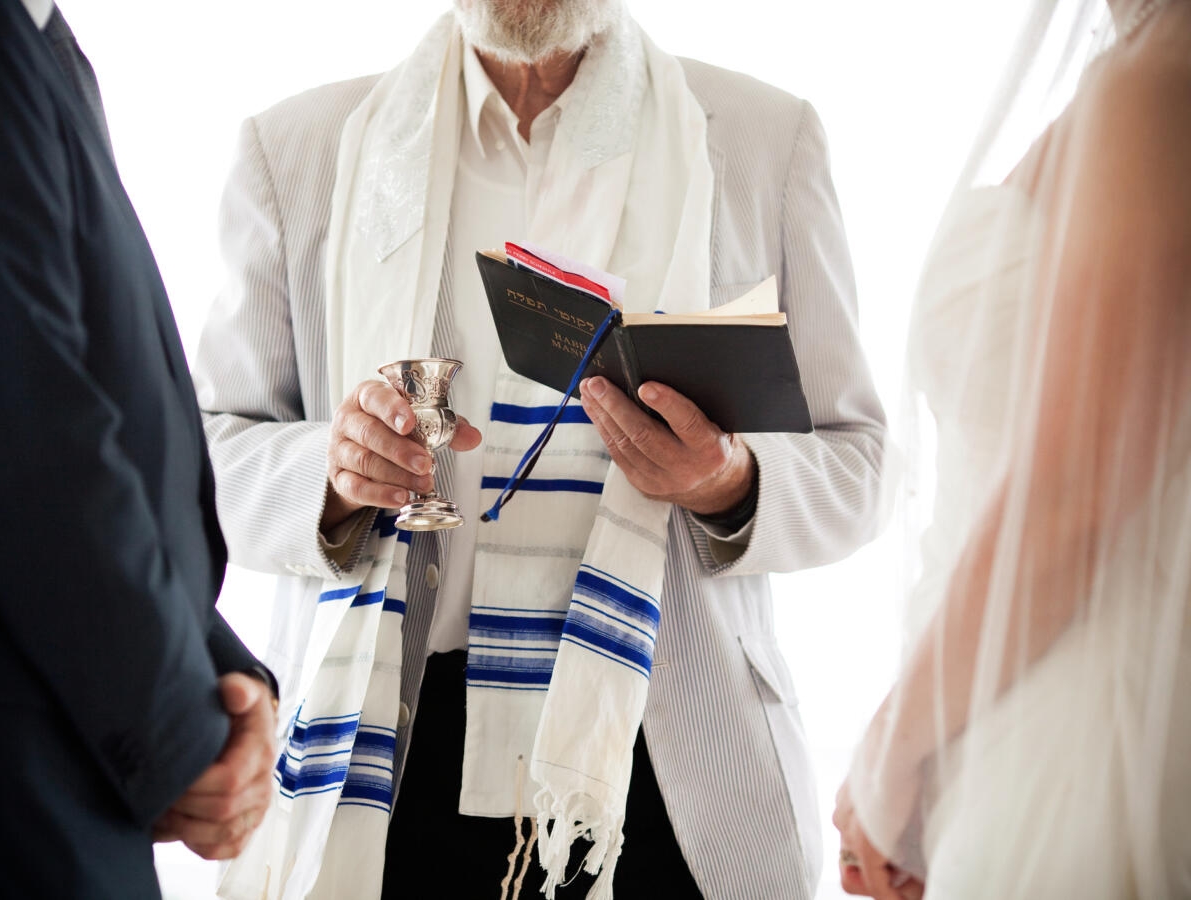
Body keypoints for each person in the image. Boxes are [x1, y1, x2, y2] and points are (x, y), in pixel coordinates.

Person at [195, 1, 887, 897]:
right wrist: (328, 476)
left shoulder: (764, 142)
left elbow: (861, 462)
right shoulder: (295, 153)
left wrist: (731, 482)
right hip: (389, 763)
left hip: (665, 757)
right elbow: (203, 460)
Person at [0, 2, 280, 895]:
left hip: (41, 779)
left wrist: (220, 678)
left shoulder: (20, 35)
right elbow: (17, 438)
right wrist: (178, 734)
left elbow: (96, 433)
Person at [833, 0, 1191, 897]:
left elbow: (1070, 503)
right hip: (1006, 711)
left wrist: (889, 758)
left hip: (1078, 741)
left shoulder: (1159, 86)